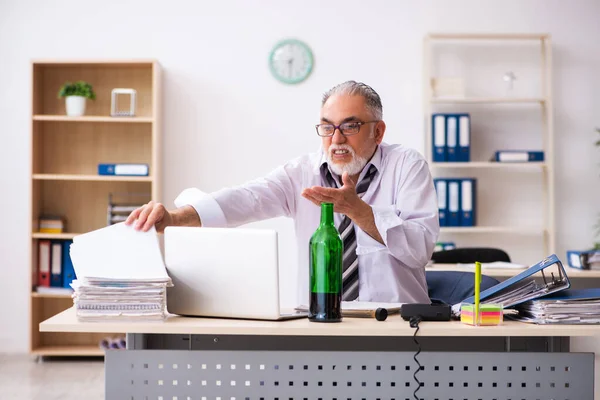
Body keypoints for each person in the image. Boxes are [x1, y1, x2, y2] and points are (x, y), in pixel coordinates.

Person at [126, 81, 439, 305]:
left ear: (378, 131)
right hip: (319, 320)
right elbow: (247, 198)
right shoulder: (302, 172)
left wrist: (359, 210)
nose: (336, 139)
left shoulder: (407, 166)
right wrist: (174, 218)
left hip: (398, 323)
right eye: (327, 127)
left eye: (350, 126)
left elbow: (420, 248)